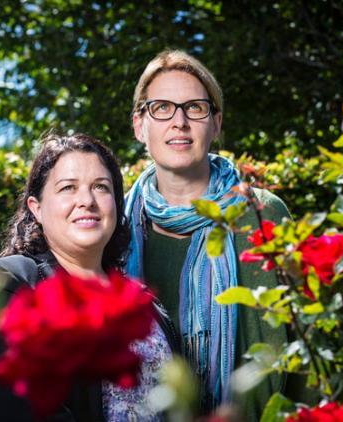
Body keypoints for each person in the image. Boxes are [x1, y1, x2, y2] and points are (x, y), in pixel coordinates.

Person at [125, 50, 292, 420]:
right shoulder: (114, 227)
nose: (179, 121)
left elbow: (303, 345)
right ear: (139, 125)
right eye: (162, 108)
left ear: (215, 123)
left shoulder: (261, 214)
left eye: (195, 108)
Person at [0, 133, 176, 421]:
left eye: (101, 187)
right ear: (36, 208)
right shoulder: (6, 281)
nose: (87, 200)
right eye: (68, 188)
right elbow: (14, 407)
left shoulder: (142, 301)